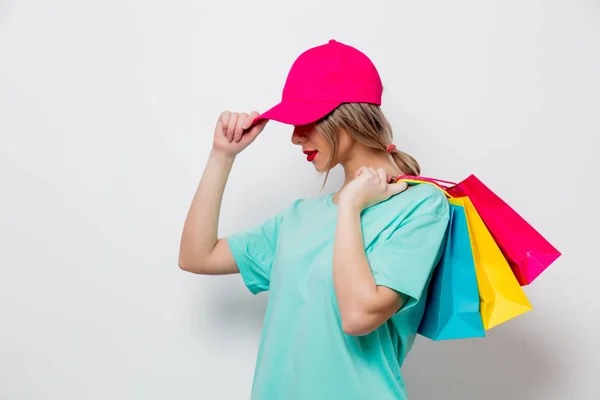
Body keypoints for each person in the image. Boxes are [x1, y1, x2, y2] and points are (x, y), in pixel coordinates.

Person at [179, 39, 450, 400]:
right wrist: (222, 156)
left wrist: (351, 205)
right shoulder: (298, 218)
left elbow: (358, 316)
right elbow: (197, 256)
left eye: (305, 120)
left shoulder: (422, 207)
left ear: (347, 117)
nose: (294, 137)